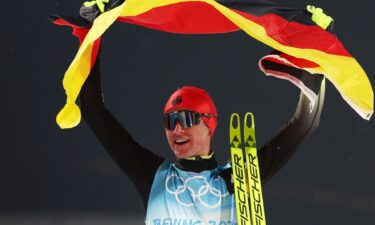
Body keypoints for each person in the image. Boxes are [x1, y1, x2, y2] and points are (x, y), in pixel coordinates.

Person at [65, 0, 328, 224]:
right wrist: (91, 34)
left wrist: (317, 56)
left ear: (210, 124)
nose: (176, 128)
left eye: (186, 119)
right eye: (170, 121)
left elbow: (304, 124)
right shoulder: (152, 176)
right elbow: (94, 112)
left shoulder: (238, 179)